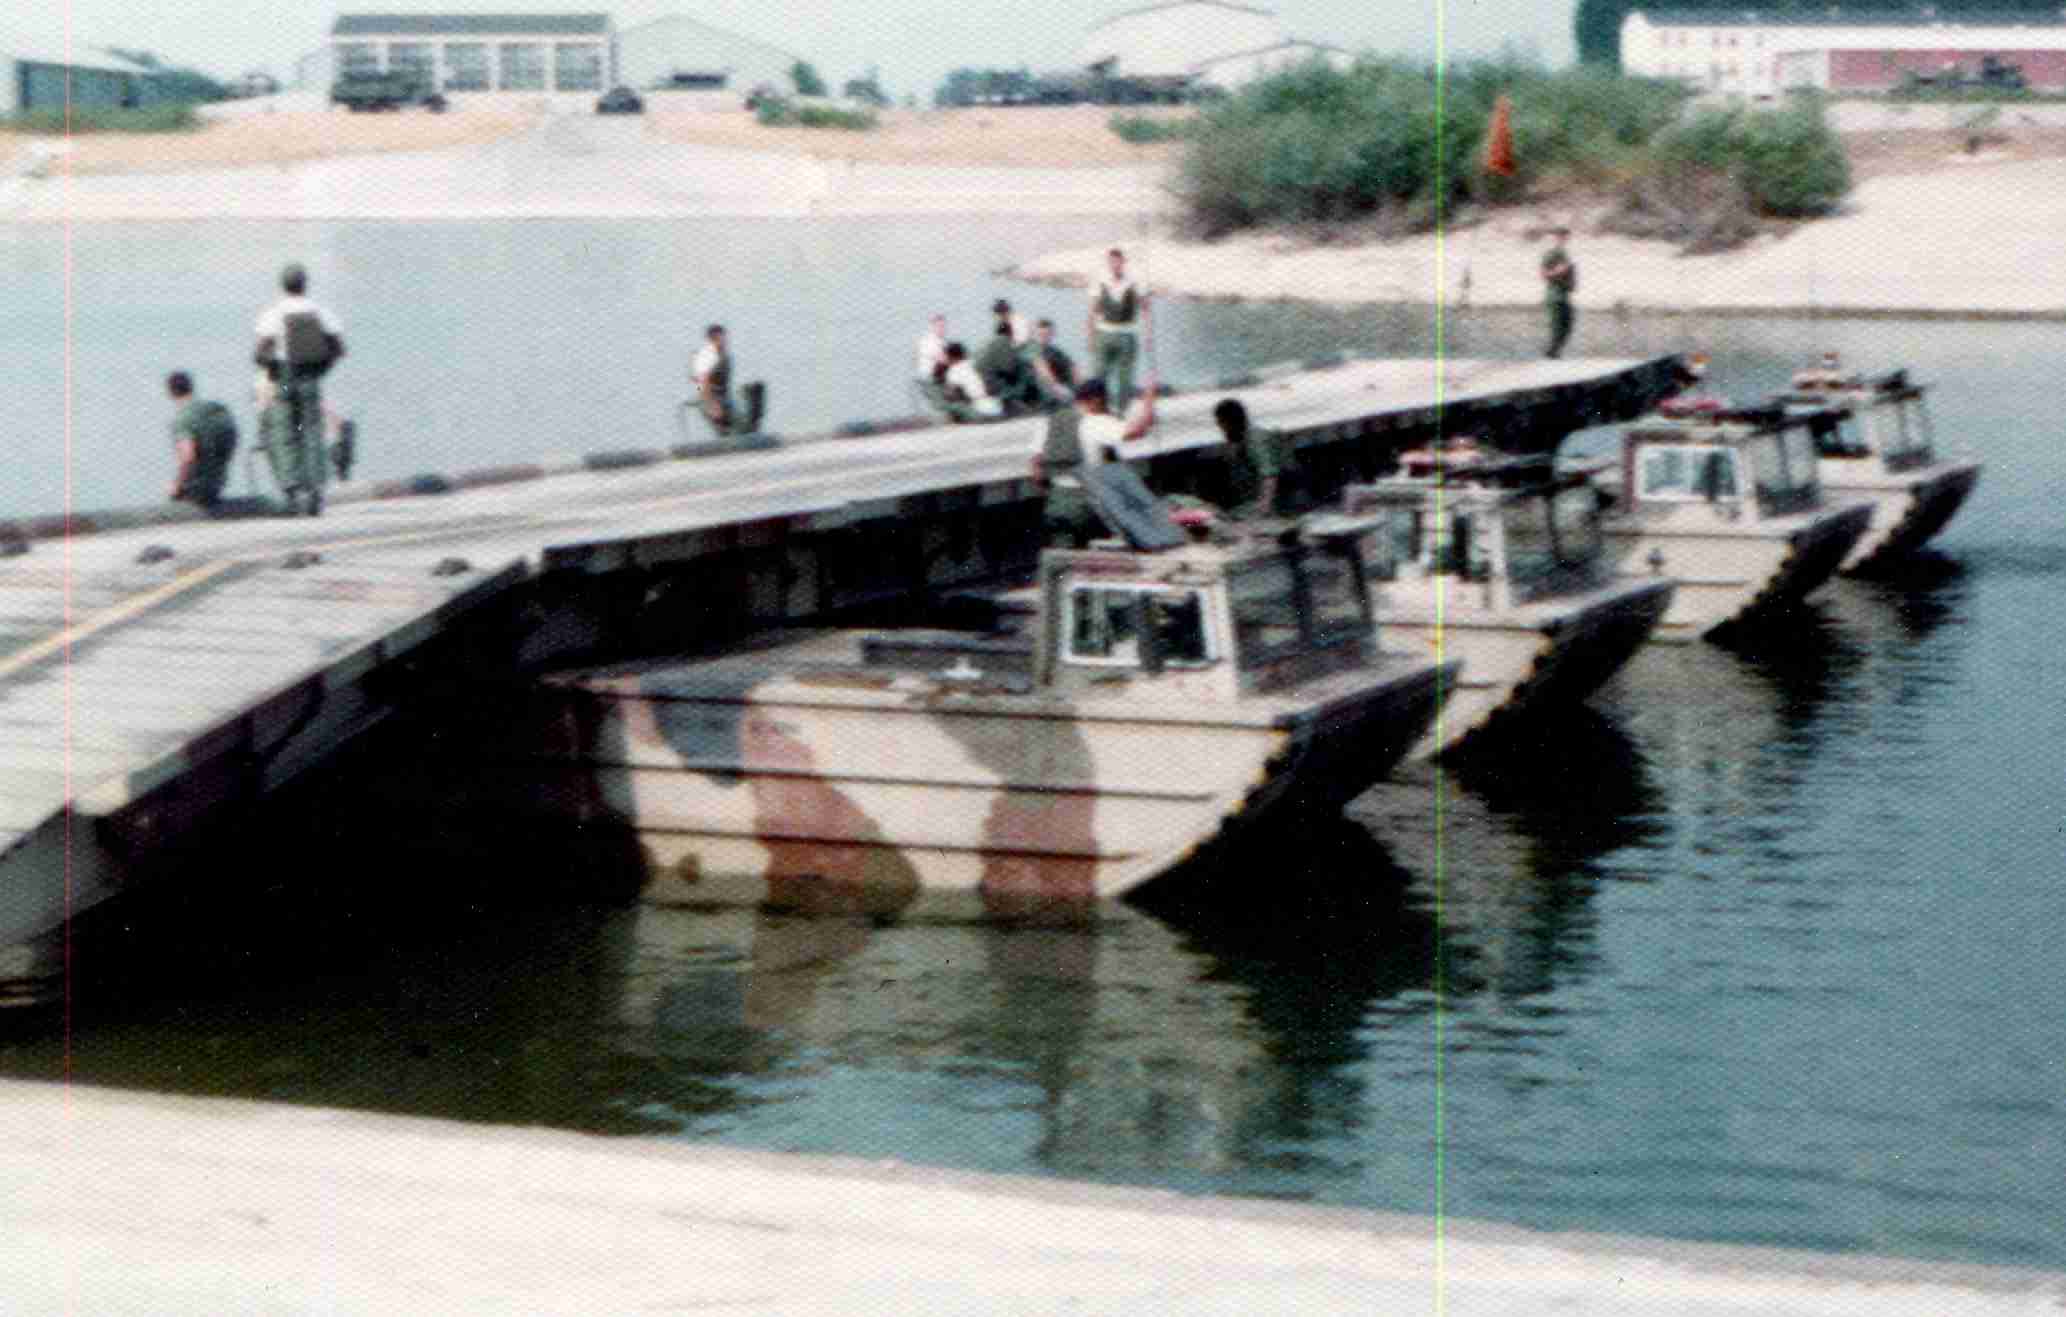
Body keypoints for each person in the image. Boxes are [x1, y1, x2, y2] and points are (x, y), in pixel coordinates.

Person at [253, 262, 345, 516]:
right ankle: (315, 490)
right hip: (310, 378)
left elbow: (260, 352)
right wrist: (320, 370)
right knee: (312, 432)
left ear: (283, 285)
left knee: (285, 433)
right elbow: (339, 348)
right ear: (305, 284)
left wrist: (272, 372)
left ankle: (292, 492)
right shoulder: (320, 311)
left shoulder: (273, 312)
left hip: (284, 376)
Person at [1031, 374, 1157, 549]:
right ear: (1097, 400)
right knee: (1106, 549)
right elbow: (1136, 431)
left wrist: (1053, 493)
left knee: (1062, 557)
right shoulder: (1096, 422)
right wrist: (1149, 399)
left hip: (1057, 502)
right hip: (1088, 504)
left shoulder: (1050, 421)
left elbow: (1036, 470)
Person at [1087, 247, 1150, 414]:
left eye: (1118, 261)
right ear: (1107, 263)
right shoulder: (1099, 282)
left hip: (1127, 334)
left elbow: (1145, 309)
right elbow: (1092, 312)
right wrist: (1090, 337)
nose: (1115, 265)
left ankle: (1122, 411)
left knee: (1125, 377)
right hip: (1104, 333)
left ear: (1123, 262)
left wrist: (1148, 335)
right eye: (1111, 262)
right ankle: (1100, 412)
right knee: (1099, 374)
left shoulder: (1135, 282)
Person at [164, 371, 238, 510]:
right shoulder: (214, 411)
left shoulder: (183, 418)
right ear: (191, 386)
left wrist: (177, 485)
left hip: (195, 491)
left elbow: (187, 457)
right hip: (218, 483)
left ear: (171, 392)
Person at [1212, 397, 1285, 518]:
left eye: (1221, 422)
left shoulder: (1254, 440)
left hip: (1274, 504)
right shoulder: (1239, 440)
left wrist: (1264, 507)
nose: (1220, 427)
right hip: (1252, 501)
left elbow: (1269, 475)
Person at [692, 324, 737, 434]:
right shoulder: (706, 357)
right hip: (710, 399)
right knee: (725, 427)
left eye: (724, 338)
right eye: (720, 339)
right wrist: (711, 404)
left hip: (724, 398)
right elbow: (701, 383)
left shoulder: (724, 355)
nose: (724, 342)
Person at [1540, 225, 1577, 359]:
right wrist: (1559, 271)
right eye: (1561, 236)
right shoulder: (1551, 254)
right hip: (1554, 296)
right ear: (1555, 238)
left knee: (1568, 325)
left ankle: (1554, 353)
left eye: (1566, 236)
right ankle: (1551, 354)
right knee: (1557, 328)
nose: (1564, 239)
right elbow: (1544, 274)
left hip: (1565, 295)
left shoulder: (1564, 253)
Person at [940, 342, 1004, 419]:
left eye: (945, 356)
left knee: (951, 402)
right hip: (997, 405)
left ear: (951, 357)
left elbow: (950, 395)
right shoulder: (974, 362)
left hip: (979, 409)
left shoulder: (953, 371)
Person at [1026, 318, 1076, 409]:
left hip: (1056, 390)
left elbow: (1072, 365)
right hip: (1038, 393)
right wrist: (1057, 387)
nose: (1045, 337)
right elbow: (1042, 369)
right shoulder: (1032, 349)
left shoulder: (1054, 351)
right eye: (1041, 334)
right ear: (1035, 334)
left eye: (1048, 334)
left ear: (1053, 334)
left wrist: (1079, 384)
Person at [914, 313, 949, 383]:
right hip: (928, 377)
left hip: (936, 376)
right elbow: (941, 359)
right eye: (939, 326)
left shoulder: (942, 341)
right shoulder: (928, 341)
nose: (942, 329)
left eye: (943, 326)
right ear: (932, 326)